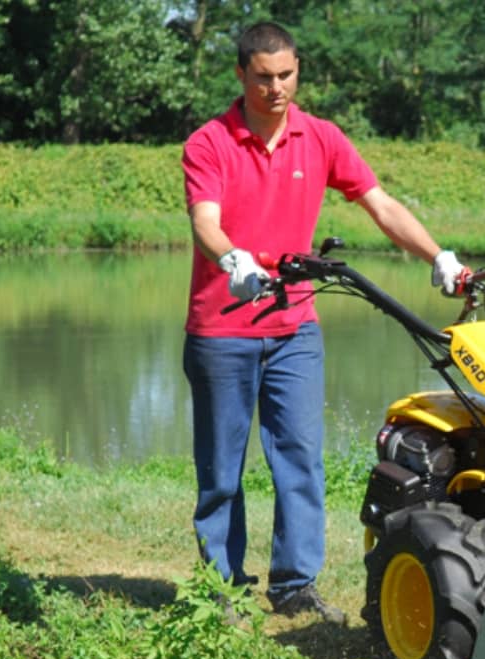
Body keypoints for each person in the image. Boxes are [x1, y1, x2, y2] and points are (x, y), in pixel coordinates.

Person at [181, 21, 468, 624]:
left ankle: (294, 587)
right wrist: (232, 258)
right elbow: (205, 220)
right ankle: (222, 591)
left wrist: (437, 255)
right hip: (222, 332)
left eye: (286, 75)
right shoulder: (209, 142)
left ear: (298, 69)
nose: (276, 88)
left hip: (294, 331)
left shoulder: (321, 138)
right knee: (221, 474)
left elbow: (379, 203)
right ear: (241, 73)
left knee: (301, 461)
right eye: (263, 77)